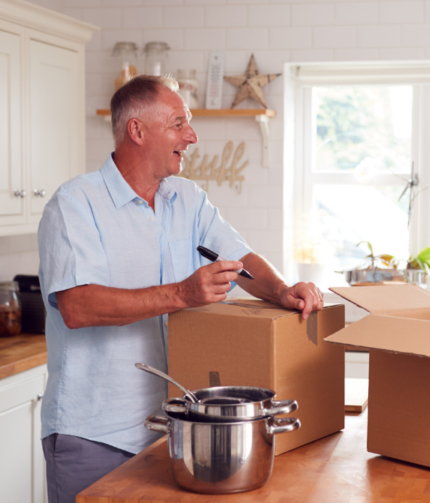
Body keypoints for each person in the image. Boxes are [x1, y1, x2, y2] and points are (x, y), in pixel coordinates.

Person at [36, 75, 324, 503]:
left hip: (171, 428)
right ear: (137, 131)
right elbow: (78, 307)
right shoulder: (74, 205)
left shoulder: (187, 199)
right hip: (93, 434)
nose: (191, 136)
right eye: (178, 124)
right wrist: (182, 294)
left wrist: (281, 291)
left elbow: (240, 258)